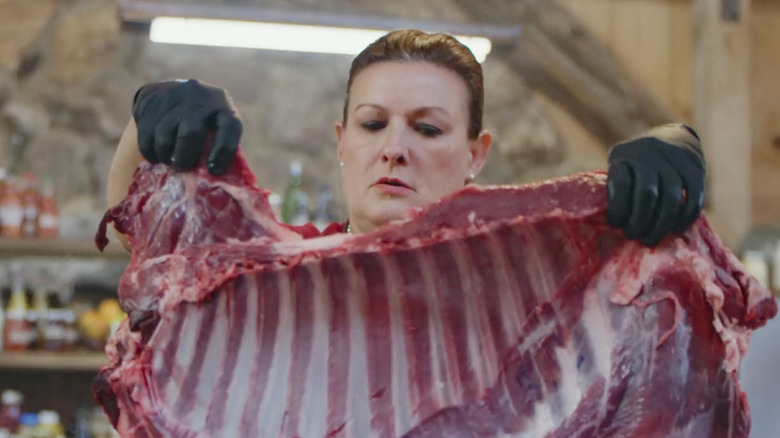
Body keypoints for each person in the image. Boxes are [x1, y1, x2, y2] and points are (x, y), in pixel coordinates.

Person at [108, 29, 705, 248]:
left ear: (476, 155)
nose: (395, 147)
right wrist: (147, 121)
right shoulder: (284, 262)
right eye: (373, 124)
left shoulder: (526, 270)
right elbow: (150, 239)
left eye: (427, 128)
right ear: (342, 142)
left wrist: (675, 149)